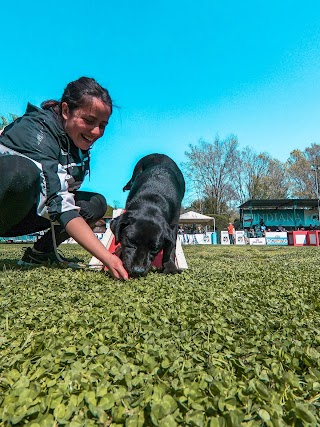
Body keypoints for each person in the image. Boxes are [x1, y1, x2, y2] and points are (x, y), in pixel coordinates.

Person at [0, 76, 128, 280]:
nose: (96, 132)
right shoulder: (36, 132)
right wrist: (107, 257)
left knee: (96, 203)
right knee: (21, 172)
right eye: (89, 121)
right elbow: (60, 204)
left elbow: (64, 197)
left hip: (19, 214)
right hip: (7, 202)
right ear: (66, 111)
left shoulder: (73, 140)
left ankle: (41, 253)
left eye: (103, 125)